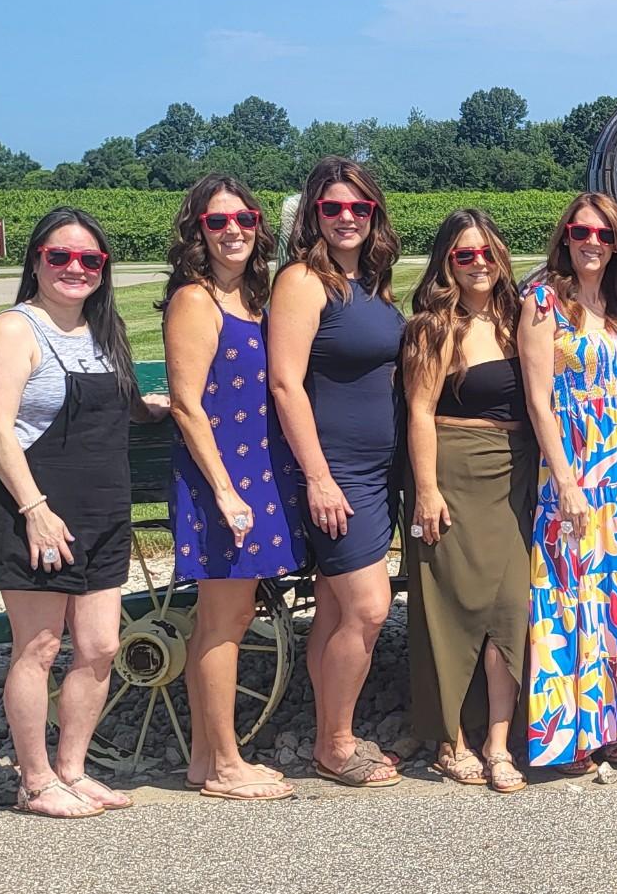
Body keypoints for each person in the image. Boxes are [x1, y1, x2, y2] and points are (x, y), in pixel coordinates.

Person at [0, 207, 168, 817]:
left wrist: (154, 408)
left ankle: (73, 769)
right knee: (37, 646)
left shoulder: (103, 332)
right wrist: (35, 510)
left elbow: (120, 403)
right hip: (36, 510)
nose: (74, 269)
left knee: (100, 647)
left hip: (103, 508)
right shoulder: (15, 331)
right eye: (60, 257)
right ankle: (35, 781)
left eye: (89, 260)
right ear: (36, 261)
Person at [161, 174, 303, 802]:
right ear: (198, 231)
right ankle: (224, 764)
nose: (233, 231)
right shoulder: (196, 300)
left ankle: (204, 759)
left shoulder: (251, 296)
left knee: (233, 614)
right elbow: (188, 405)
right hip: (223, 480)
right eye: (218, 222)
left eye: (243, 219)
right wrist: (223, 490)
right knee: (223, 620)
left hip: (256, 475)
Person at [267, 156, 406, 788]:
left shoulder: (371, 283)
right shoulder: (303, 281)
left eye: (358, 207)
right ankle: (338, 742)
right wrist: (318, 477)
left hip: (378, 470)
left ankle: (327, 731)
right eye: (332, 208)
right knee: (369, 609)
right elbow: (285, 383)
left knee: (333, 608)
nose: (346, 217)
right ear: (313, 216)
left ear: (374, 213)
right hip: (336, 471)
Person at [517, 193, 617, 773]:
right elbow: (538, 400)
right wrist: (566, 481)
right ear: (565, 237)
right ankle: (570, 732)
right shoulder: (543, 302)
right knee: (570, 592)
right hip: (576, 468)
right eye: (582, 232)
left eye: (604, 235)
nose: (592, 243)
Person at [403, 208, 535, 793]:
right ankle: (450, 739)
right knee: (450, 607)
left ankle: (499, 742)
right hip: (454, 468)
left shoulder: (519, 317)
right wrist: (426, 490)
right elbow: (420, 412)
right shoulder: (434, 328)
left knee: (511, 605)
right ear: (446, 265)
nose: (478, 263)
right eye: (464, 255)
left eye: (486, 251)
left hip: (516, 473)